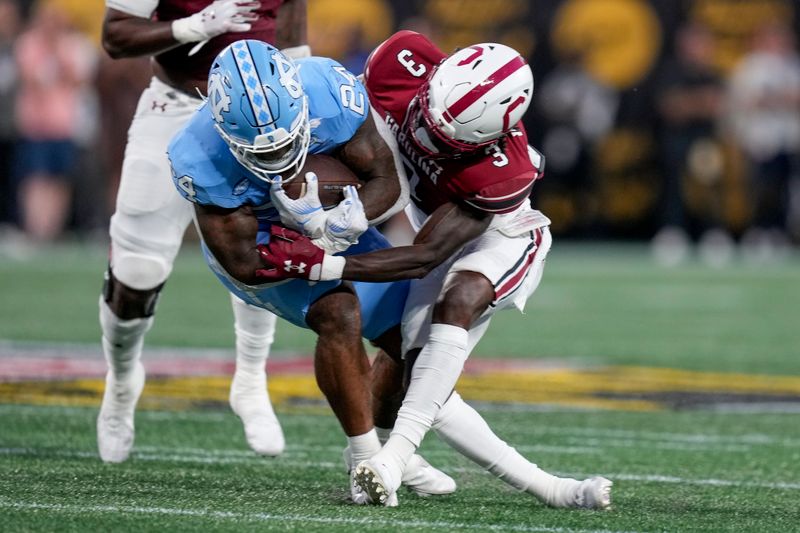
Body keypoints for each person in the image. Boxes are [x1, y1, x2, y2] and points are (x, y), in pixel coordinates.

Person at [258, 31, 613, 509]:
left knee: (458, 299)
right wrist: (322, 207)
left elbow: (423, 256)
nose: (425, 133)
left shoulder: (501, 172)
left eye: (445, 137)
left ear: (493, 137)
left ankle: (391, 460)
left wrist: (328, 264)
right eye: (426, 114)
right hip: (429, 230)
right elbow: (354, 137)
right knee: (409, 371)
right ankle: (554, 490)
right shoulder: (402, 62)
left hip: (500, 238)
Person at [167, 38, 454, 505]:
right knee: (338, 312)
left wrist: (350, 219)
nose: (277, 161)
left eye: (286, 142)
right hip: (262, 244)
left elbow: (385, 181)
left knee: (413, 334)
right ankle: (365, 459)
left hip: (332, 215)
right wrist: (313, 253)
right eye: (259, 152)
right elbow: (243, 264)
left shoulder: (328, 89)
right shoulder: (198, 156)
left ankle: (388, 453)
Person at [95, 0, 310, 464]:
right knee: (137, 267)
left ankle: (251, 380)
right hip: (174, 105)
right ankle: (122, 377)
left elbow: (290, 36)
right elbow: (115, 36)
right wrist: (195, 26)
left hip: (259, 126)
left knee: (262, 249)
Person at [14, 1, 96, 242]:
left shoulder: (71, 45)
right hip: (36, 122)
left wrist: (59, 54)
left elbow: (78, 79)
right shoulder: (28, 43)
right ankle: (35, 229)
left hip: (63, 122)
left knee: (60, 179)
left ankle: (51, 230)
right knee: (37, 177)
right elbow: (30, 79)